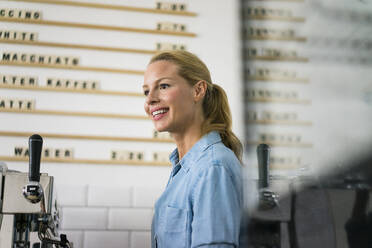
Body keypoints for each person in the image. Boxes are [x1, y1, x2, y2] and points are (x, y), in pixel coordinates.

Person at [143, 50, 243, 248]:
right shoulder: (185, 167)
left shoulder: (213, 167)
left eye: (163, 86)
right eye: (146, 91)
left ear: (198, 91)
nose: (150, 99)